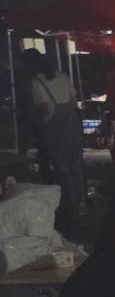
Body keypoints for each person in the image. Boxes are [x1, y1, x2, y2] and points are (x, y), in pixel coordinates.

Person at [22, 49, 84, 225]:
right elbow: (73, 100)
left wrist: (37, 122)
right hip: (72, 125)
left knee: (62, 167)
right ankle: (80, 200)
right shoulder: (63, 76)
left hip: (55, 129)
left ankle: (69, 203)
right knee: (75, 164)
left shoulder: (36, 82)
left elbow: (45, 108)